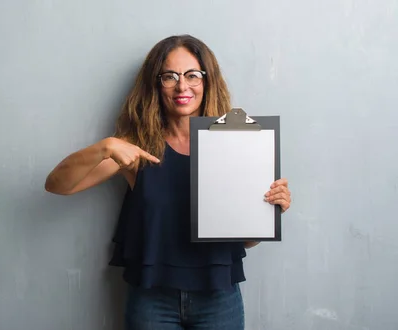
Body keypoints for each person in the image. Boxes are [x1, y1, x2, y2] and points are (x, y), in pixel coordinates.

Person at [44, 34, 292, 330]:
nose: (182, 86)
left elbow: (246, 241)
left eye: (192, 75)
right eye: (170, 76)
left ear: (207, 80)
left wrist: (268, 209)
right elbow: (58, 184)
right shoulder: (137, 148)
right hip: (152, 300)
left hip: (218, 298)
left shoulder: (235, 145)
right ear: (156, 84)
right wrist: (105, 147)